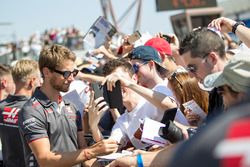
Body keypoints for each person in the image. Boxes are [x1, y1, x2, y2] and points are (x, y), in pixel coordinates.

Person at [107, 51, 250, 167]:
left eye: (221, 92)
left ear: (241, 93)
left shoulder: (230, 133)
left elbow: (196, 151)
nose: (221, 98)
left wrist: (137, 161)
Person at [18, 44, 118, 167]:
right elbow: (45, 160)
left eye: (74, 73)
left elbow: (82, 153)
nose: (71, 78)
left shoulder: (71, 107)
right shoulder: (32, 110)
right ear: (46, 72)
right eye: (66, 74)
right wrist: (92, 151)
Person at [179, 27, 231, 121]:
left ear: (212, 58)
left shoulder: (242, 88)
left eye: (192, 68)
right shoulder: (215, 93)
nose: (190, 75)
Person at [0, 59, 41, 167]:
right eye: (39, 79)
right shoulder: (35, 108)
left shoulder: (1, 106)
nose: (40, 82)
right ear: (32, 81)